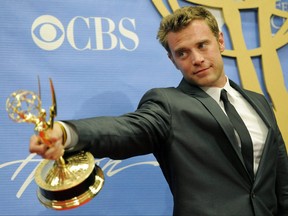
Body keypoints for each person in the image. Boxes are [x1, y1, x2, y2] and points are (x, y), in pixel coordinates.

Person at [29, 6, 288, 216]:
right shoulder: (167, 104)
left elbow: (281, 178)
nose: (196, 58)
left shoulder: (258, 101)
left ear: (220, 41)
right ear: (172, 60)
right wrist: (66, 133)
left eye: (202, 45)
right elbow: (125, 130)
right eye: (182, 53)